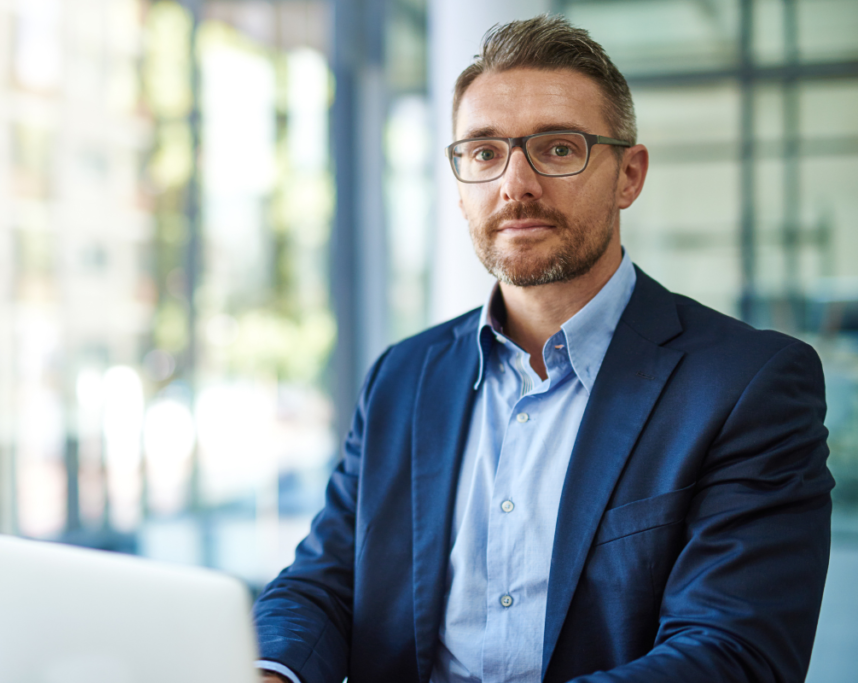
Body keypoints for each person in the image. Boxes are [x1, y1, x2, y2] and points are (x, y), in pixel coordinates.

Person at [254, 14, 834, 683]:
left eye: (558, 149)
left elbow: (732, 653)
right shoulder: (401, 378)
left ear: (629, 174)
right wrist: (273, 669)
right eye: (483, 152)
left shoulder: (746, 384)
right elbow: (323, 582)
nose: (515, 184)